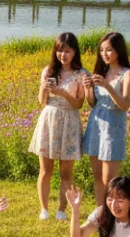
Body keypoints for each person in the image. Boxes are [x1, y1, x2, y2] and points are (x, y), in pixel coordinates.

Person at [29, 32, 89, 221]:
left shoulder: (82, 74)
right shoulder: (48, 71)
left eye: (67, 51)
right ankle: (44, 209)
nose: (63, 54)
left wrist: (62, 93)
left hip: (70, 120)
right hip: (49, 119)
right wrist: (44, 89)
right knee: (45, 170)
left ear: (75, 52)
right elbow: (42, 102)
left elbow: (79, 104)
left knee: (66, 172)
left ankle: (62, 209)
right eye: (60, 50)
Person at [82, 32, 130, 205]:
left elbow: (125, 104)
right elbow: (92, 103)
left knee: (110, 179)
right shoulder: (101, 71)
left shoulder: (128, 74)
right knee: (97, 176)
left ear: (119, 51)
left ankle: (112, 212)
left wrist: (108, 86)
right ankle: (100, 211)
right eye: (102, 50)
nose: (104, 54)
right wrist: (88, 89)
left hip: (113, 127)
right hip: (96, 124)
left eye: (109, 50)